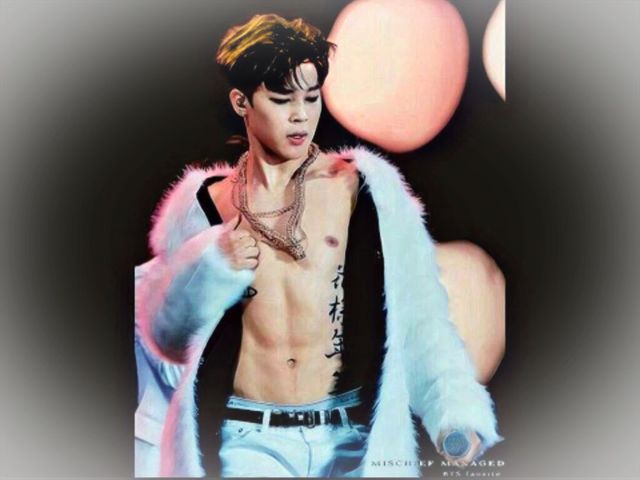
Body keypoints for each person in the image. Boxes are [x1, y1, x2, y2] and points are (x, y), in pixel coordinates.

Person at [135, 13, 503, 478]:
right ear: (241, 101)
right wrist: (208, 265)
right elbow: (164, 338)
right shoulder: (206, 203)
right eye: (281, 99)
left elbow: (420, 313)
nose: (300, 115)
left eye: (311, 98)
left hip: (349, 436)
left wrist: (454, 411)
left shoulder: (363, 187)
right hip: (248, 439)